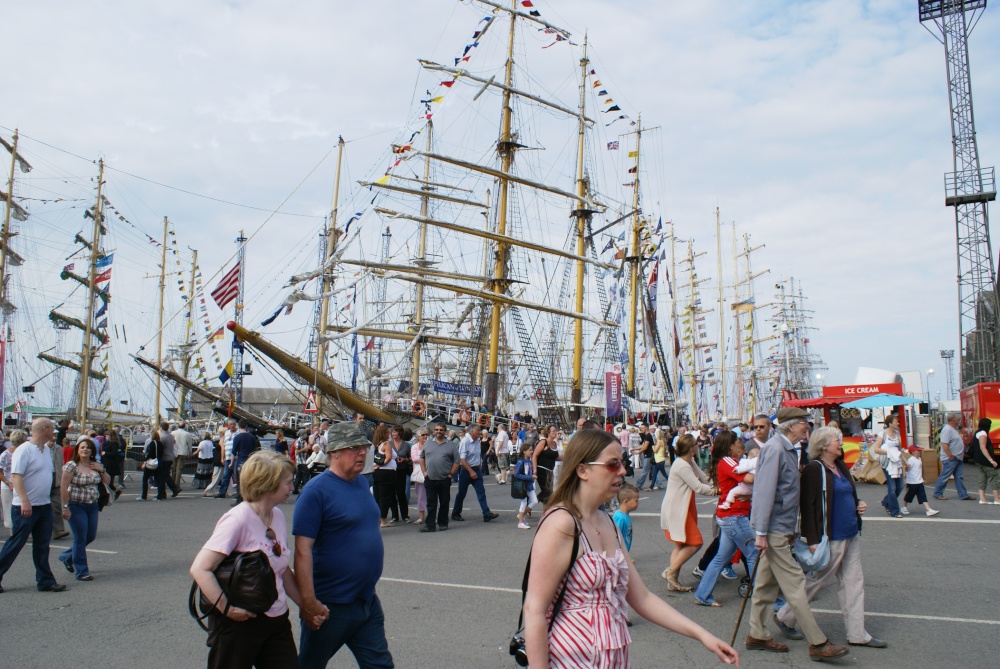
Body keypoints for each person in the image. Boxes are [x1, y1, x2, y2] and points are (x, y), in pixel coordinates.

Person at [522, 429, 738, 668]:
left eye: (622, 462)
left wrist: (702, 635)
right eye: (613, 464)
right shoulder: (561, 523)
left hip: (612, 657)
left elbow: (642, 598)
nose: (623, 471)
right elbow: (535, 610)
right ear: (583, 470)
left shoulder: (608, 521)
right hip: (572, 659)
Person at [747, 407, 848, 661]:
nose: (807, 427)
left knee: (765, 585)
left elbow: (784, 493)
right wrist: (760, 531)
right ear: (790, 426)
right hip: (773, 530)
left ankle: (757, 634)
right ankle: (817, 642)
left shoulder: (788, 450)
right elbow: (764, 491)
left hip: (780, 528)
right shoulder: (776, 449)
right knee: (795, 584)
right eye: (803, 423)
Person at [190, 450, 308, 668]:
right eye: (287, 483)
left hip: (276, 619)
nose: (292, 489)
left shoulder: (278, 516)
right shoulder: (237, 519)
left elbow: (281, 569)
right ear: (267, 485)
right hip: (240, 622)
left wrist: (305, 605)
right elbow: (200, 568)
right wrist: (227, 609)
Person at [774, 427, 887, 649]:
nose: (840, 443)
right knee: (819, 580)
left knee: (854, 583)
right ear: (824, 445)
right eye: (837, 439)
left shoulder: (840, 466)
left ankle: (857, 634)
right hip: (831, 536)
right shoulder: (814, 470)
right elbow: (808, 507)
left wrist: (858, 504)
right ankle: (785, 615)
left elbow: (846, 494)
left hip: (851, 531)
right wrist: (813, 540)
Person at [294, 422, 395, 668]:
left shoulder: (361, 483)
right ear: (334, 452)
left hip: (366, 602)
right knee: (310, 664)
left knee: (381, 666)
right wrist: (308, 602)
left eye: (363, 447)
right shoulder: (316, 492)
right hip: (331, 606)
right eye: (353, 448)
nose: (362, 452)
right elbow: (302, 550)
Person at [0, 418, 67, 593]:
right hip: (25, 506)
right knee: (16, 543)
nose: (54, 432)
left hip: (43, 505)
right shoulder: (24, 450)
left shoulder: (45, 450)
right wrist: (24, 500)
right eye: (52, 428)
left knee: (43, 544)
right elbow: (16, 476)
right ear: (44, 429)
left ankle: (45, 581)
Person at [693, 430, 757, 607]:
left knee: (722, 557)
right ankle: (768, 600)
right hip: (734, 515)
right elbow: (750, 479)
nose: (742, 445)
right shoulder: (728, 461)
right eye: (738, 442)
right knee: (753, 553)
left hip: (732, 515)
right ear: (730, 445)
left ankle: (702, 595)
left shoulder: (730, 461)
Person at [659, 433, 716, 592]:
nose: (698, 446)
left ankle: (673, 581)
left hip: (681, 506)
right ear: (692, 448)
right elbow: (698, 487)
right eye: (696, 444)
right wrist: (717, 491)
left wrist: (714, 484)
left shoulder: (687, 461)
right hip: (677, 508)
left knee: (681, 543)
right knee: (696, 543)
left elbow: (704, 478)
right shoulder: (682, 465)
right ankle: (670, 572)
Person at [57, 437, 110, 581]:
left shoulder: (96, 464)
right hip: (76, 505)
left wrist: (102, 470)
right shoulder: (71, 466)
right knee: (80, 538)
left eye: (88, 447)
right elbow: (63, 487)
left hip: (92, 505)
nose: (85, 449)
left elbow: (107, 481)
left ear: (92, 450)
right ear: (78, 450)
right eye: (82, 447)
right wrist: (65, 507)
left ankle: (67, 556)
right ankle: (82, 571)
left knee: (90, 536)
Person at [451, 424, 499, 522]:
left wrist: (479, 466)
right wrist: (471, 471)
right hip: (466, 470)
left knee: (481, 491)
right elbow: (462, 459)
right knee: (461, 493)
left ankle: (486, 513)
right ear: (471, 431)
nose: (480, 432)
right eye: (478, 430)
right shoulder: (465, 441)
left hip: (476, 469)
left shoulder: (477, 440)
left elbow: (477, 455)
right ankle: (456, 513)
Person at [419, 423, 460, 533]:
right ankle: (430, 525)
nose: (438, 431)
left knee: (444, 502)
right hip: (430, 478)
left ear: (445, 432)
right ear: (434, 431)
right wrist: (424, 472)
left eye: (441, 430)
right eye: (436, 429)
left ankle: (443, 523)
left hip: (444, 479)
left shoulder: (450, 445)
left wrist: (451, 474)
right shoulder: (428, 444)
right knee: (431, 503)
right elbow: (421, 458)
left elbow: (457, 461)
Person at [933, 412, 973, 500]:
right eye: (958, 420)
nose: (959, 421)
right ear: (954, 420)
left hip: (957, 457)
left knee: (959, 477)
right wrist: (950, 455)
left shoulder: (952, 429)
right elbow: (944, 443)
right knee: (945, 475)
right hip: (950, 458)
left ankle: (963, 494)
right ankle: (937, 493)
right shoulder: (947, 430)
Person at [871, 415, 904, 517]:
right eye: (896, 422)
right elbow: (876, 449)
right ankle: (894, 511)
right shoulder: (883, 434)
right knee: (892, 488)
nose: (898, 423)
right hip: (887, 463)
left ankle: (886, 501)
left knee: (900, 486)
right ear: (890, 423)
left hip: (897, 462)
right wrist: (888, 452)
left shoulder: (897, 434)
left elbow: (899, 450)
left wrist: (905, 461)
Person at [1, 429, 28, 538]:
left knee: (23, 509)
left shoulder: (25, 453)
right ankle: (13, 534)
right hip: (8, 486)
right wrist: (8, 483)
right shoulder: (5, 454)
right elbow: (0, 472)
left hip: (22, 485)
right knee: (9, 510)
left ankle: (21, 532)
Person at [371, 424, 399, 528]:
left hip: (378, 473)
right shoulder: (386, 444)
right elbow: (388, 458)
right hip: (387, 472)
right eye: (388, 432)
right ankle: (383, 520)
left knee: (378, 495)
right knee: (385, 496)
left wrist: (376, 465)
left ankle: (378, 518)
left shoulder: (376, 444)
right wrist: (380, 464)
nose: (390, 434)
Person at [901, 446, 940, 516]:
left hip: (919, 481)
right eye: (918, 451)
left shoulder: (919, 459)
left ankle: (928, 509)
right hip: (912, 482)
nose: (919, 452)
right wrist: (906, 468)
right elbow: (907, 469)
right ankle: (904, 507)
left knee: (922, 496)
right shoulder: (911, 460)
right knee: (909, 495)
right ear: (913, 452)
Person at [970, 418, 1000, 505]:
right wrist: (991, 460)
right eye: (989, 425)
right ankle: (997, 499)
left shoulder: (978, 432)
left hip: (979, 460)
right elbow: (983, 447)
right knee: (994, 477)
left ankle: (982, 498)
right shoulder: (983, 433)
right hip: (985, 460)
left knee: (982, 478)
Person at [231, 420, 262, 505]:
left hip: (240, 460)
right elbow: (255, 450)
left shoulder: (237, 437)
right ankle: (250, 498)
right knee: (250, 481)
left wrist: (231, 462)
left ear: (239, 426)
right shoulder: (252, 437)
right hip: (250, 460)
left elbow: (233, 452)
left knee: (239, 481)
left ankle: (239, 500)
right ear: (246, 426)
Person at [514, 443, 539, 529]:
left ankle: (521, 515)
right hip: (523, 485)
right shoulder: (520, 462)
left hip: (529, 484)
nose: (532, 451)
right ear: (524, 452)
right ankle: (521, 522)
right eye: (530, 450)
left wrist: (532, 475)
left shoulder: (529, 461)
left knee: (535, 501)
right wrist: (530, 477)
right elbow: (516, 474)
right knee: (523, 502)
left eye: (532, 450)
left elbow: (529, 471)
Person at [390, 426, 411, 523]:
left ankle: (405, 515)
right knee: (392, 493)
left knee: (401, 493)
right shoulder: (389, 444)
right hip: (391, 470)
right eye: (392, 432)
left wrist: (404, 459)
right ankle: (394, 516)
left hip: (402, 470)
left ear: (400, 433)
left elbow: (410, 458)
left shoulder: (406, 445)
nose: (393, 434)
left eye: (395, 432)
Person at [533, 429, 561, 504]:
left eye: (556, 430)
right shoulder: (543, 442)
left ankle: (531, 505)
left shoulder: (554, 443)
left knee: (547, 493)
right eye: (553, 431)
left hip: (550, 470)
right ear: (548, 433)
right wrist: (535, 470)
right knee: (547, 492)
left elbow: (556, 457)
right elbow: (535, 456)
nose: (556, 432)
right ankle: (527, 509)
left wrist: (571, 457)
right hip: (541, 469)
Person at [612, 482, 640, 552]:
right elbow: (614, 538)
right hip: (619, 555)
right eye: (636, 501)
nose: (638, 503)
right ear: (626, 501)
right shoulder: (620, 517)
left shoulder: (625, 515)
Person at [158, 421, 183, 497]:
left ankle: (173, 489)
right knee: (166, 474)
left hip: (164, 457)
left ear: (161, 428)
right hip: (170, 456)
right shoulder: (171, 436)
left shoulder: (162, 437)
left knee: (163, 475)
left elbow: (161, 447)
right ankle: (173, 489)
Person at [409, 428, 428, 525]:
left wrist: (421, 458)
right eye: (423, 435)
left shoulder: (430, 445)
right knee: (420, 495)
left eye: (426, 434)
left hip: (430, 472)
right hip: (419, 473)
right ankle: (421, 516)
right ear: (418, 437)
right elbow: (414, 458)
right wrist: (424, 458)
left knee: (434, 496)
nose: (425, 436)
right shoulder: (415, 446)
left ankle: (435, 515)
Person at [172, 421, 195, 489]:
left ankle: (172, 484)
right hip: (182, 452)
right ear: (184, 426)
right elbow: (189, 444)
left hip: (174, 451)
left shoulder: (173, 433)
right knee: (179, 469)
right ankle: (177, 485)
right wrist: (190, 453)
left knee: (174, 469)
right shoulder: (187, 434)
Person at [633, 423, 655, 490]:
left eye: (642, 428)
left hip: (649, 455)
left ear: (646, 428)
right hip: (649, 455)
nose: (641, 430)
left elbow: (645, 447)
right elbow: (643, 445)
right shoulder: (646, 436)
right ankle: (659, 484)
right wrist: (634, 448)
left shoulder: (648, 436)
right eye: (640, 428)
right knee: (653, 471)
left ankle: (638, 485)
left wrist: (638, 452)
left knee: (644, 471)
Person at [292, 429, 311, 494]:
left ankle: (295, 488)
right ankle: (306, 487)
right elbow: (297, 451)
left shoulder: (304, 441)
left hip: (304, 459)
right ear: (302, 434)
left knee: (299, 474)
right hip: (301, 460)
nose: (306, 435)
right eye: (305, 434)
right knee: (306, 473)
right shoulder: (298, 441)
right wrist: (305, 448)